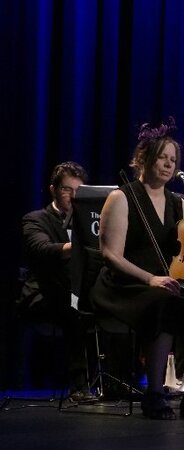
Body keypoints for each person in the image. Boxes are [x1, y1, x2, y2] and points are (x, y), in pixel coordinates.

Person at [89, 118, 184, 420]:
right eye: (162, 156)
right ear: (143, 158)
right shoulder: (122, 197)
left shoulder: (179, 202)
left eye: (172, 159)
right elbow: (111, 255)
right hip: (125, 283)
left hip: (168, 281)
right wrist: (151, 278)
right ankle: (154, 393)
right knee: (163, 303)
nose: (168, 164)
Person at [18, 161, 91, 398]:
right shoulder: (36, 219)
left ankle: (118, 379)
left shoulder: (90, 222)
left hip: (76, 291)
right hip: (43, 293)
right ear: (53, 190)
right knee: (75, 308)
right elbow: (42, 249)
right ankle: (79, 385)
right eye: (66, 189)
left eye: (78, 191)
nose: (72, 196)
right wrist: (79, 246)